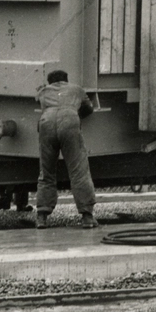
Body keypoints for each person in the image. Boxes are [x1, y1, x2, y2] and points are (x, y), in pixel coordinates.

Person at [33, 69, 98, 229]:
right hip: (69, 121)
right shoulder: (76, 89)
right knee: (79, 171)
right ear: (66, 80)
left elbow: (39, 101)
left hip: (46, 122)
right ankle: (87, 217)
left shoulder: (43, 91)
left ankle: (42, 217)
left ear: (50, 82)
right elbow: (89, 108)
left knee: (46, 172)